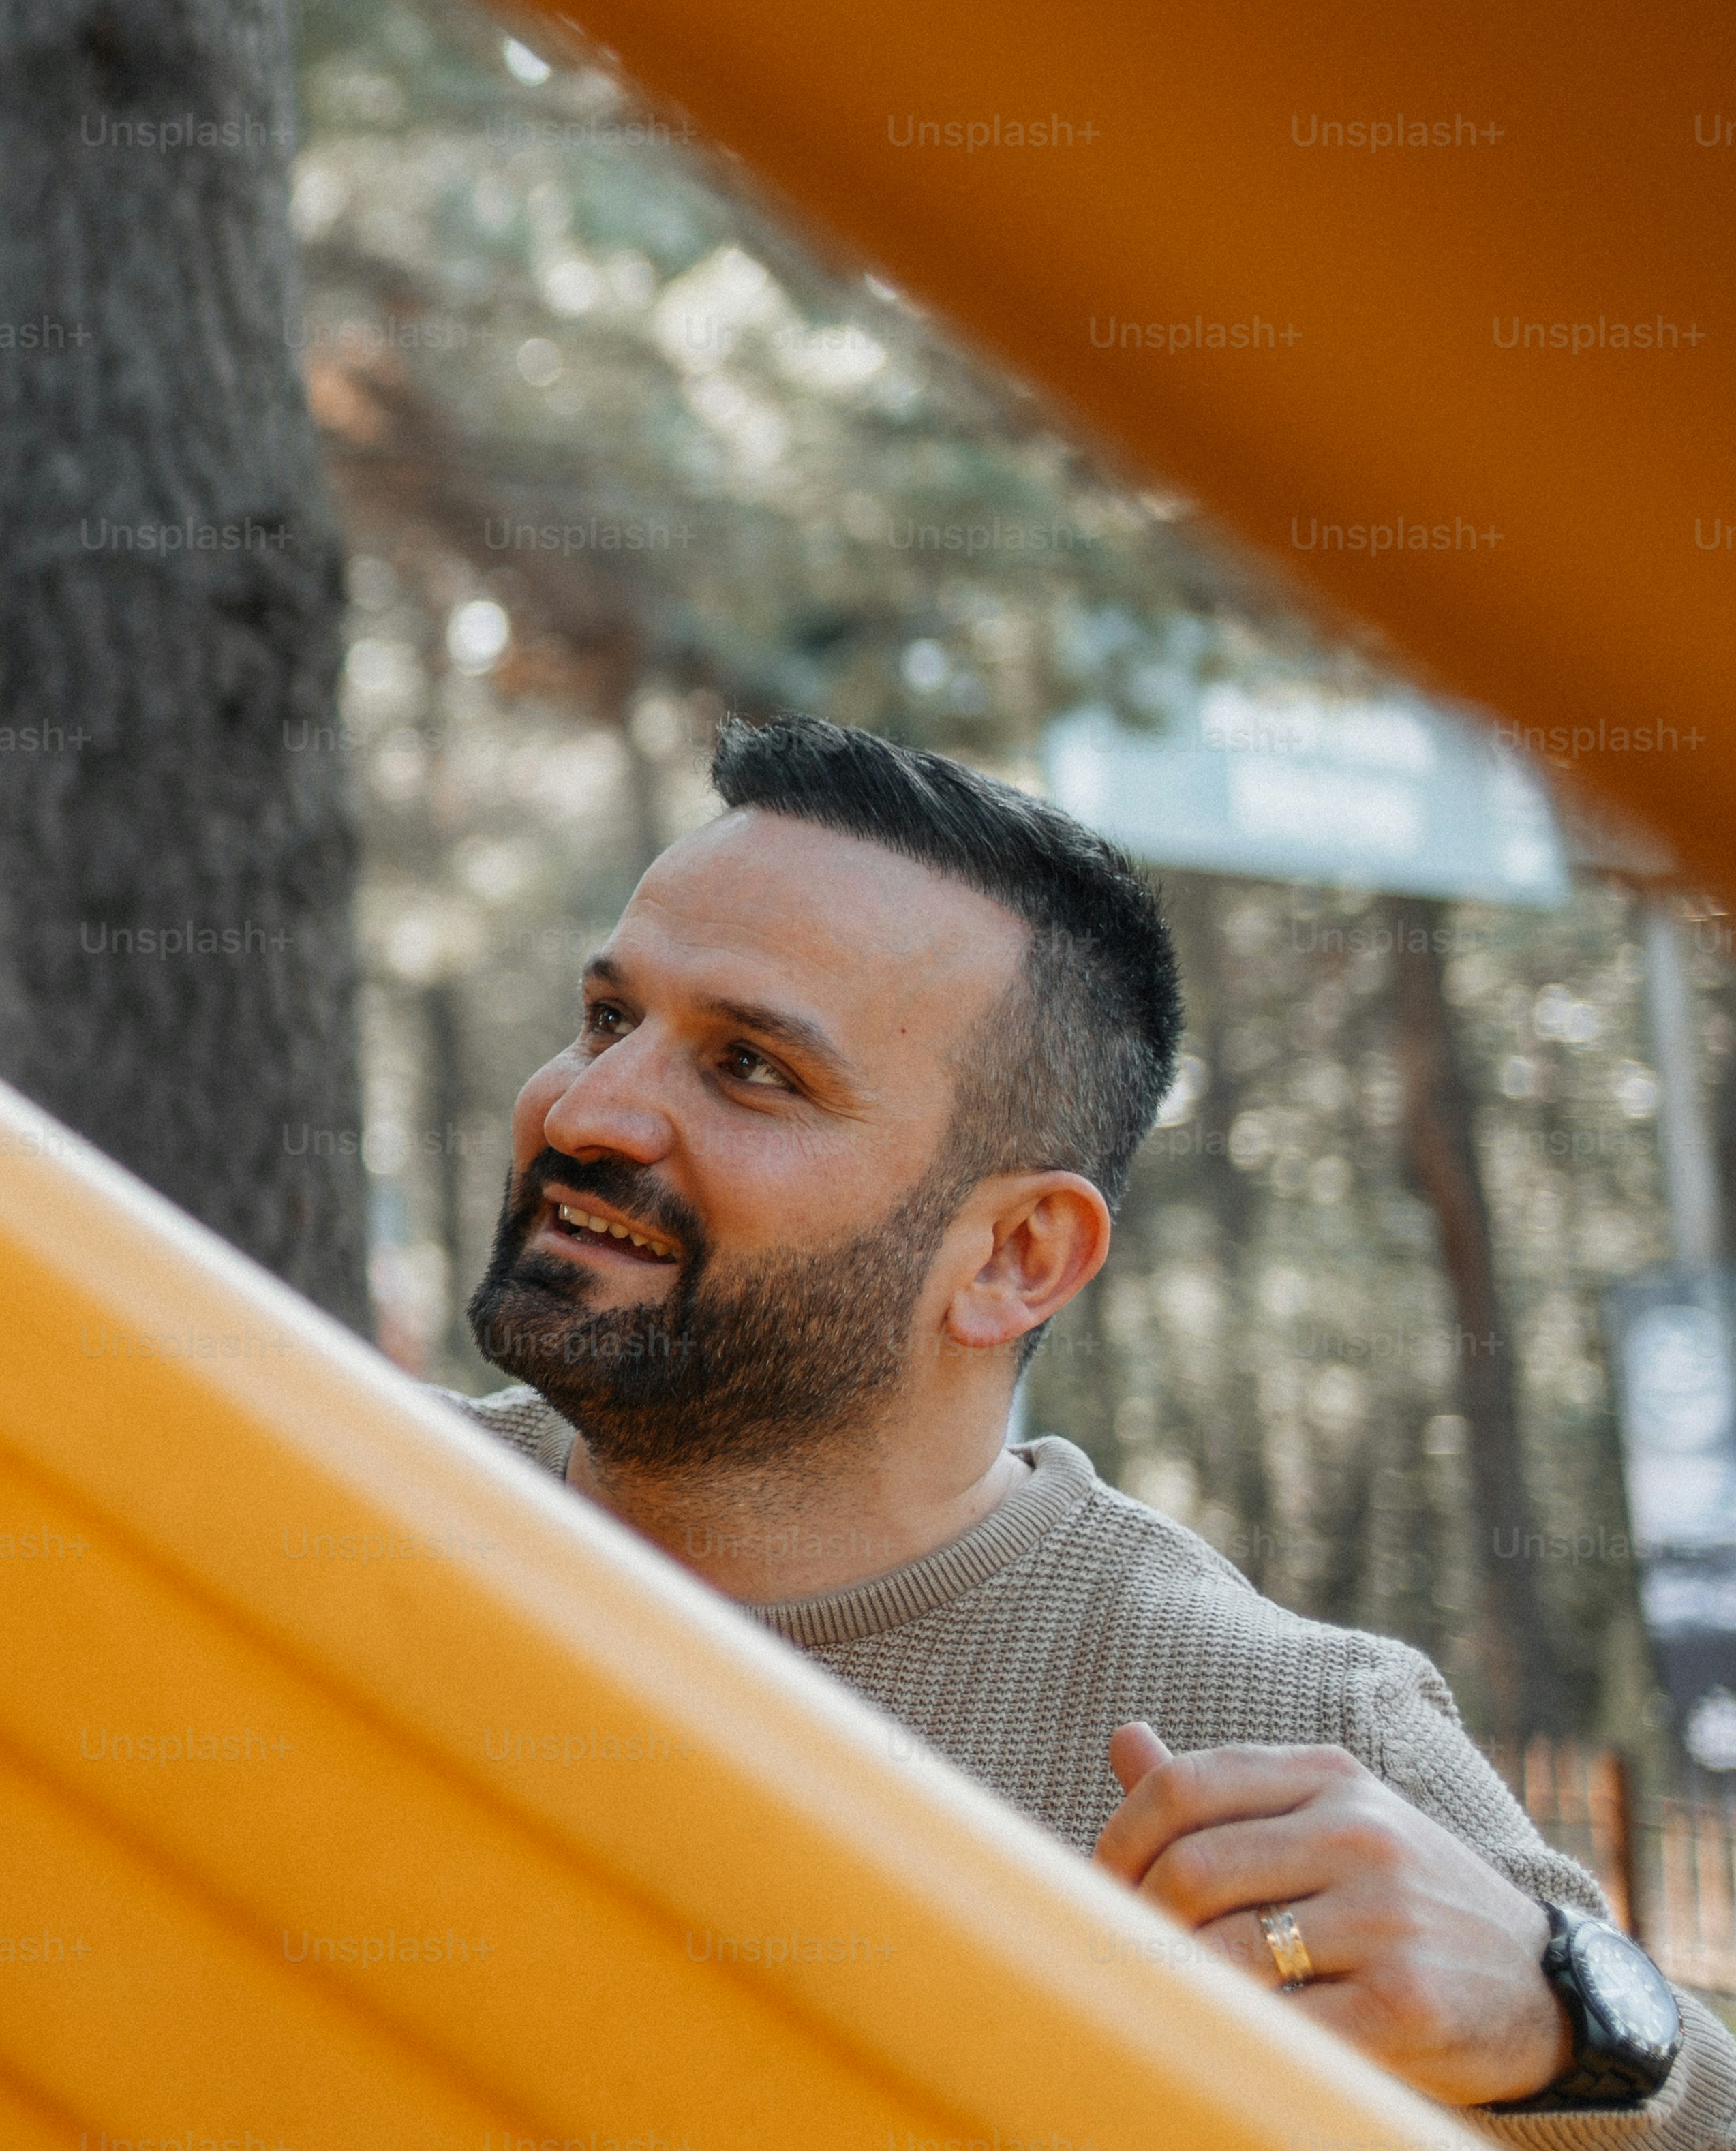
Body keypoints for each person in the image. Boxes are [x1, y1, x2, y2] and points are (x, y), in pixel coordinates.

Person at [454, 715, 1722, 2137]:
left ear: (1017, 1258)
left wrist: (1571, 2022)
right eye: (612, 1019)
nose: (591, 1108)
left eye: (752, 1066)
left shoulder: (1276, 1726)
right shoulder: (339, 1498)